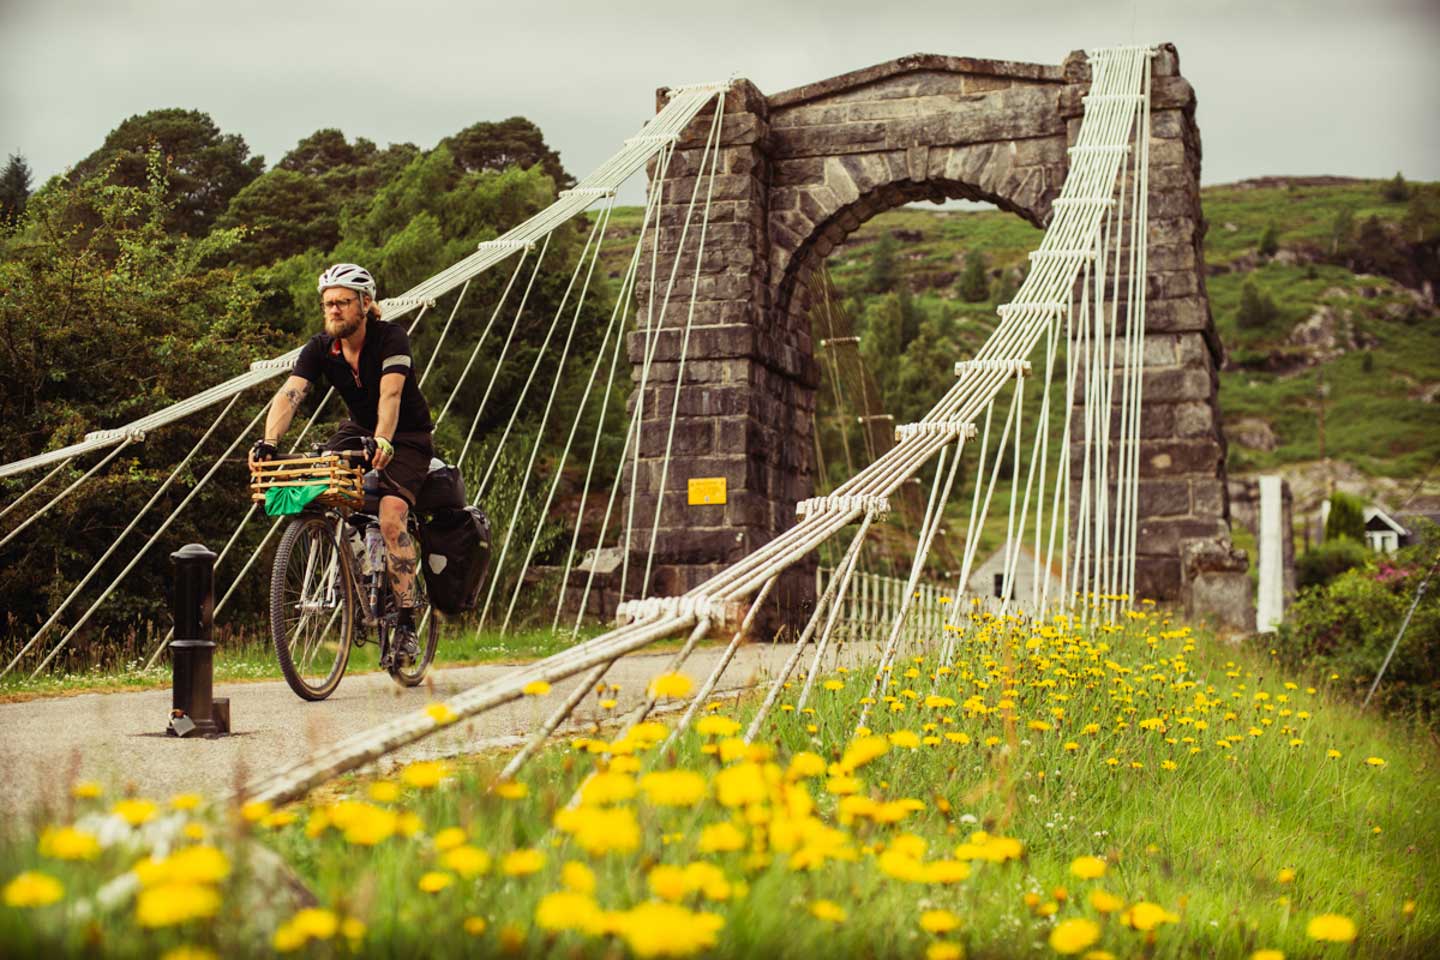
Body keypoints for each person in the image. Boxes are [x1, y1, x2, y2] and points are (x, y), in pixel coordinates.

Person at [248, 263, 434, 664]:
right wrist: (269, 441)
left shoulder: (391, 338)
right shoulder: (319, 348)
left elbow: (391, 396)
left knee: (390, 514)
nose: (333, 310)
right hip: (358, 429)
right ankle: (360, 561)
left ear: (365, 304)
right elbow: (291, 394)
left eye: (342, 303)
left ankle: (404, 621)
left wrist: (384, 437)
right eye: (327, 303)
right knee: (322, 476)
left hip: (406, 436)